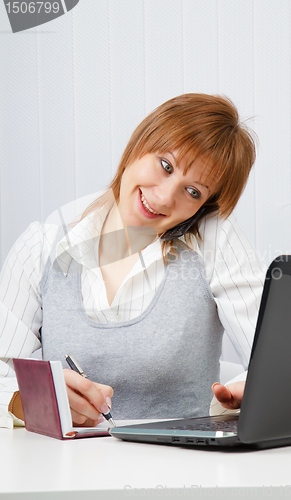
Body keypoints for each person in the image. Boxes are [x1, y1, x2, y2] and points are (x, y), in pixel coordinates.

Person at [0, 93, 266, 428]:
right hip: (65, 471)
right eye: (165, 165)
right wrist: (27, 401)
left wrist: (253, 390)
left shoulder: (214, 242)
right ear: (141, 142)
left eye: (193, 191)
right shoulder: (41, 246)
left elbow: (279, 359)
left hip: (182, 472)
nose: (164, 196)